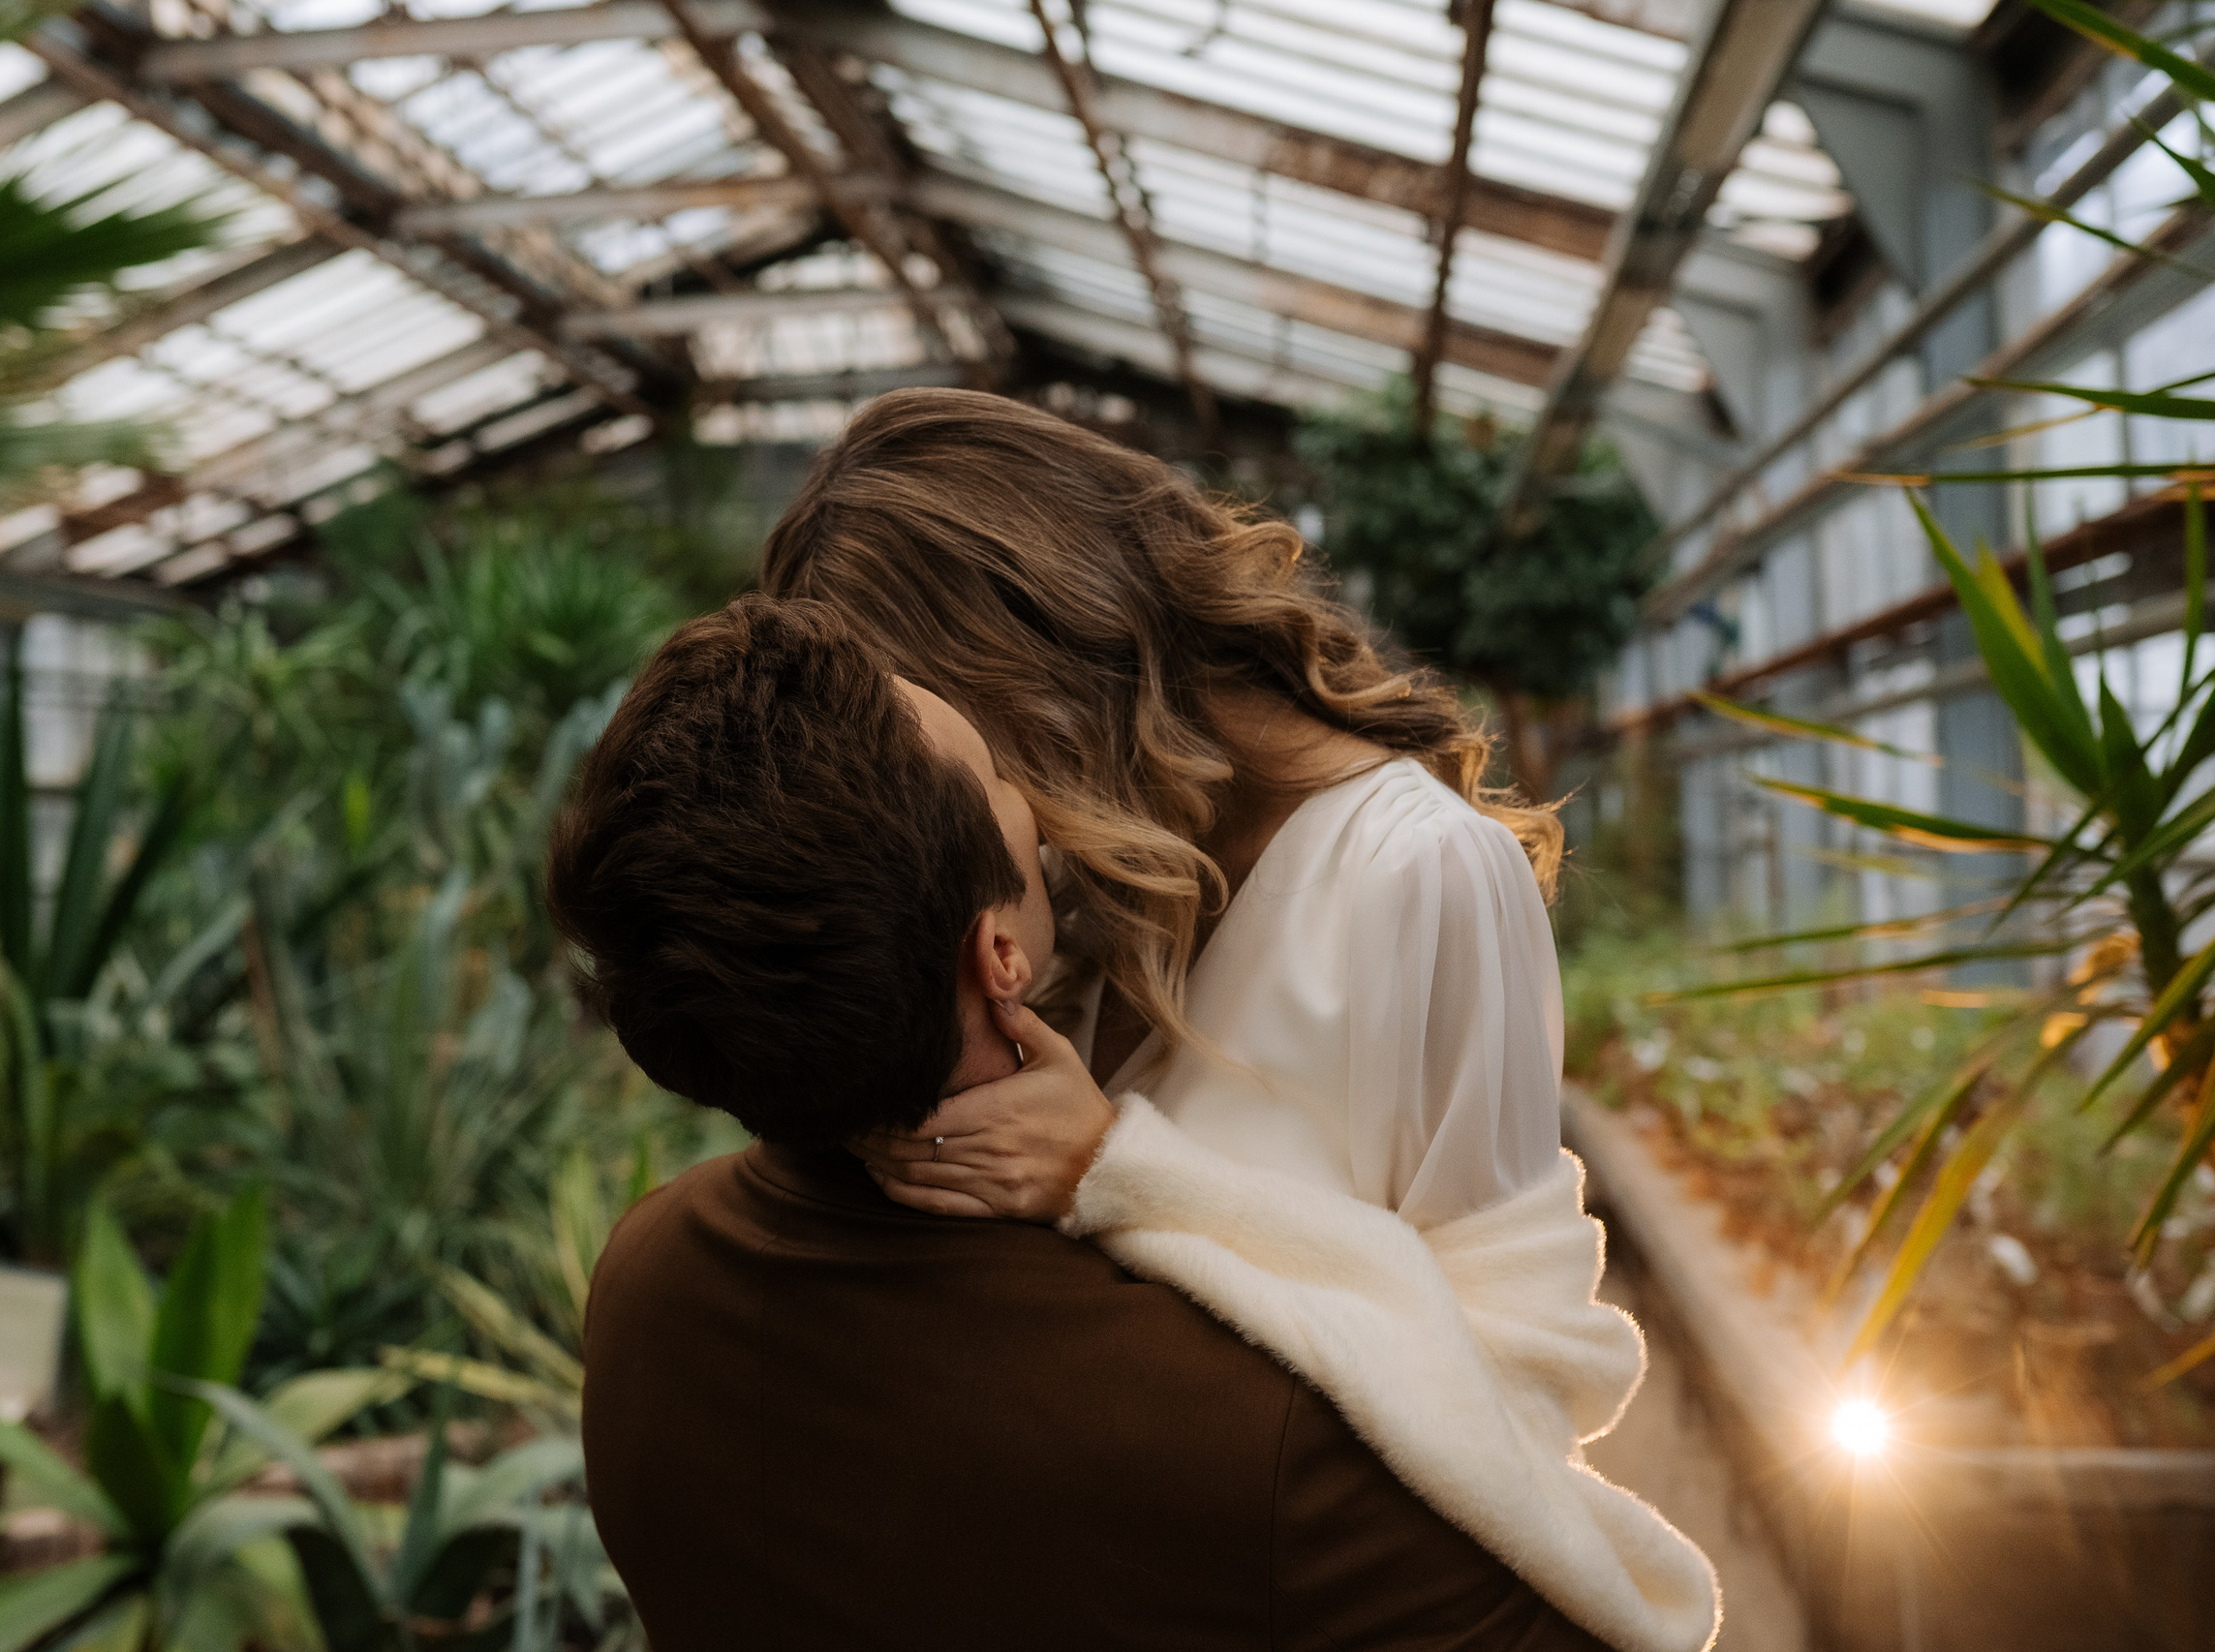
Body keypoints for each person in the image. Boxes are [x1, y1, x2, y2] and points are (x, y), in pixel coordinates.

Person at [756, 388, 1717, 1652]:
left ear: (1035, 654)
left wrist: (1120, 1177)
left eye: (936, 740)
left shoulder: (1419, 876)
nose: (932, 804)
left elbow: (1516, 1398)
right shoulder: (1054, 889)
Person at [550, 596, 1615, 1652]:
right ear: (998, 955)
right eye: (1003, 778)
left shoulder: (645, 1292)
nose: (1038, 801)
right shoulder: (1240, 1433)